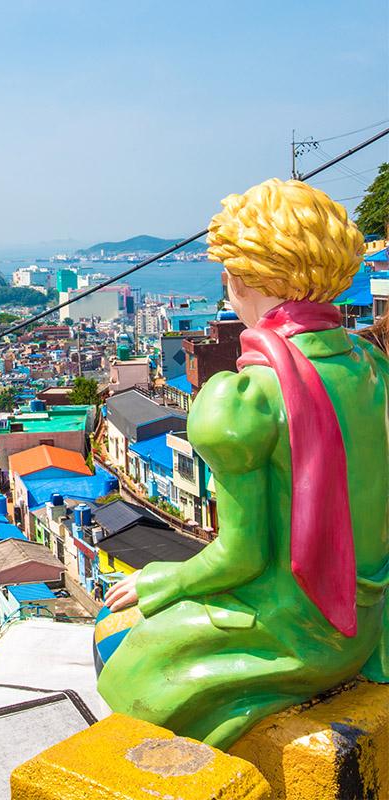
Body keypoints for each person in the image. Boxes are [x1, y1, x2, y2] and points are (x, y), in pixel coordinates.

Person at [96, 178, 389, 749]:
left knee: (126, 663)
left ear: (249, 275)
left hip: (294, 633)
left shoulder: (245, 397)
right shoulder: (372, 367)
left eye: (227, 268)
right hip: (368, 626)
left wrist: (163, 580)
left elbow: (242, 554)